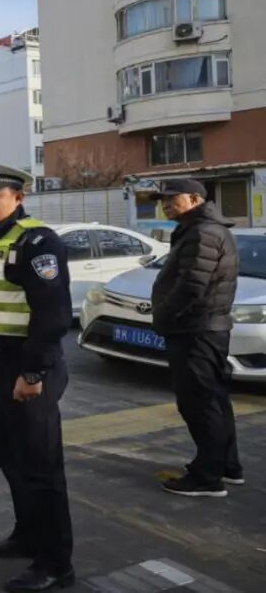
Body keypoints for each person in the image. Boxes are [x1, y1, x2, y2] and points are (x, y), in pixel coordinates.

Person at [0, 163, 75, 593]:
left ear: (18, 197)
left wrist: (33, 371)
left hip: (25, 372)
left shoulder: (36, 242)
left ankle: (55, 564)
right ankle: (27, 536)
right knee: (8, 458)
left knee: (41, 469)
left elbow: (52, 314)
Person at [149, 178, 242, 497]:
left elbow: (191, 286)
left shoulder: (203, 233)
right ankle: (226, 466)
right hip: (203, 328)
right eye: (163, 200)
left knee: (199, 403)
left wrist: (163, 316)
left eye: (172, 198)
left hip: (196, 330)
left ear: (194, 199)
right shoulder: (198, 229)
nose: (165, 204)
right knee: (213, 400)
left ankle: (207, 478)